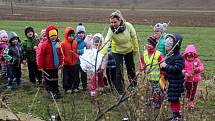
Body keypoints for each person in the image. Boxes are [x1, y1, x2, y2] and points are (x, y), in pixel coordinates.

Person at [103, 10, 139, 98]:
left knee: (131, 68)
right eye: (111, 22)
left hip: (128, 50)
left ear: (120, 20)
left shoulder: (128, 26)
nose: (113, 24)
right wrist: (102, 52)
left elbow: (134, 38)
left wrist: (135, 49)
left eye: (115, 22)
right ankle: (120, 91)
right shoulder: (111, 30)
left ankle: (133, 87)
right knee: (119, 70)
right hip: (117, 51)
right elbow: (107, 40)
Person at [160, 33, 184, 120]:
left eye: (169, 46)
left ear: (175, 46)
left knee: (175, 99)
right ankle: (175, 115)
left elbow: (177, 69)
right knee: (172, 99)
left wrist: (165, 66)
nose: (167, 48)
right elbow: (169, 68)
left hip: (176, 82)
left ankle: (177, 116)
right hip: (171, 81)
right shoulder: (170, 55)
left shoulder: (179, 57)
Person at [37, 25, 63, 99]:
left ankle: (56, 90)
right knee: (49, 79)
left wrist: (61, 63)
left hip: (55, 66)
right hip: (48, 66)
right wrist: (40, 65)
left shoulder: (57, 43)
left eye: (55, 35)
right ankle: (50, 91)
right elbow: (40, 56)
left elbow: (60, 54)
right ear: (48, 35)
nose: (54, 37)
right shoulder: (45, 44)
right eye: (52, 35)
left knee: (55, 78)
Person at [139, 36, 164, 109]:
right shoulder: (145, 53)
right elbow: (142, 62)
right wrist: (142, 67)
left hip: (157, 77)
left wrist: (162, 75)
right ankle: (151, 100)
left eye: (150, 44)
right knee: (150, 89)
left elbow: (162, 65)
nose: (148, 45)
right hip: (148, 76)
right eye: (147, 43)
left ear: (154, 45)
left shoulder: (158, 54)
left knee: (157, 90)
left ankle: (157, 102)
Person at [183, 44, 204, 109]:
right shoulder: (184, 61)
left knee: (193, 91)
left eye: (191, 57)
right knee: (187, 90)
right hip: (187, 80)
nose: (190, 58)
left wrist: (198, 69)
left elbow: (201, 66)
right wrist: (185, 73)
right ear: (186, 55)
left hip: (195, 79)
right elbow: (181, 69)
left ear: (194, 56)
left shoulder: (197, 60)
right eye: (188, 57)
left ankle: (191, 101)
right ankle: (186, 101)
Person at [60, 26, 80, 93]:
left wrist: (76, 57)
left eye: (72, 36)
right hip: (66, 64)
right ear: (66, 35)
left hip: (74, 63)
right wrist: (65, 60)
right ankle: (67, 88)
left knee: (74, 76)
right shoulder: (63, 44)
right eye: (69, 36)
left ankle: (74, 87)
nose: (71, 37)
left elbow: (76, 51)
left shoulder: (75, 43)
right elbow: (61, 54)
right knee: (66, 77)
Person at [75, 23, 88, 91]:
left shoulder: (85, 41)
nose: (81, 34)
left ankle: (84, 85)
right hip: (76, 61)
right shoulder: (74, 41)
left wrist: (79, 51)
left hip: (83, 61)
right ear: (77, 33)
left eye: (82, 33)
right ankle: (76, 86)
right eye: (79, 33)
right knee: (76, 75)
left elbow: (86, 50)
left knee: (83, 74)